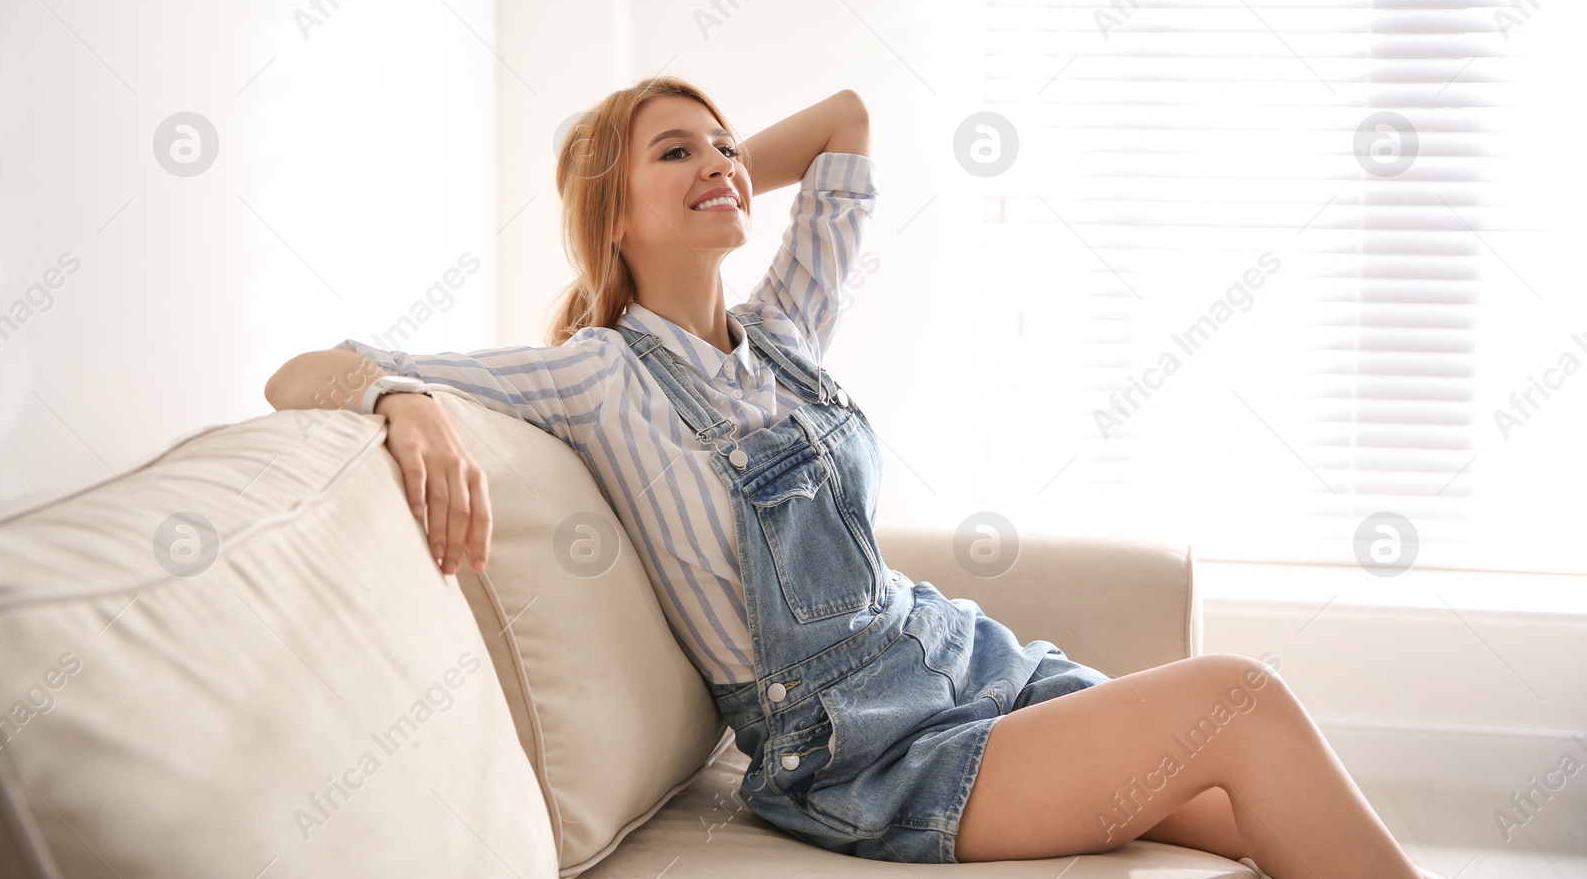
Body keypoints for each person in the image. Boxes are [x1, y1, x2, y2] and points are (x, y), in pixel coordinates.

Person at [265, 76, 1442, 878]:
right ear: (609, 215)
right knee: (1237, 698)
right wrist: (402, 399)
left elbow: (846, 117)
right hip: (861, 748)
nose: (721, 161)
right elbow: (308, 368)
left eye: (726, 143)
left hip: (964, 663)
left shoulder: (782, 332)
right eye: (673, 153)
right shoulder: (594, 375)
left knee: (1247, 813)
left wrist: (705, 168)